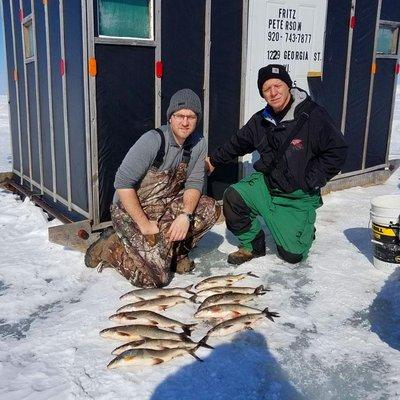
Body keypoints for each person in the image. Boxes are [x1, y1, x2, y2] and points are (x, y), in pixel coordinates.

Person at [206, 64, 347, 265]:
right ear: (263, 94)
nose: (273, 92)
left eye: (277, 86)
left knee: (292, 255)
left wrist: (311, 180)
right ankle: (252, 244)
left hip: (297, 195)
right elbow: (237, 143)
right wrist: (213, 160)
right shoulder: (260, 121)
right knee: (233, 196)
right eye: (267, 89)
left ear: (288, 86)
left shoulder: (313, 116)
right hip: (268, 186)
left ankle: (304, 226)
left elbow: (338, 150)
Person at [86, 89, 220, 287]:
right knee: (156, 279)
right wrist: (145, 225)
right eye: (180, 116)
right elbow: (122, 184)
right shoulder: (153, 140)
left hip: (164, 203)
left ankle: (174, 255)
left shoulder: (198, 143)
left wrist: (185, 215)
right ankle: (110, 247)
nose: (185, 122)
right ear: (170, 117)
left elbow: (194, 183)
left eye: (191, 116)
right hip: (130, 210)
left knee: (210, 208)